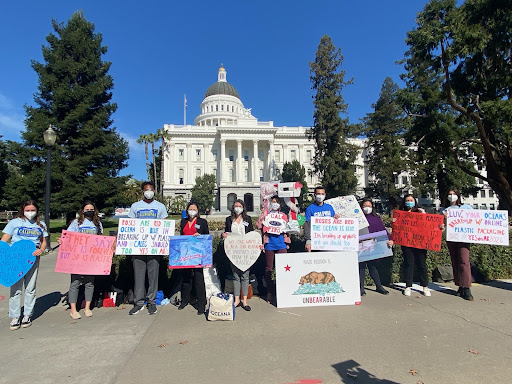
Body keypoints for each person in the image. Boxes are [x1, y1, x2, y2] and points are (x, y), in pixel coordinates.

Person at [1, 200, 47, 330]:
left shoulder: (41, 225)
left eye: (33, 210)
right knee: (15, 288)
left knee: (30, 288)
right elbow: (4, 239)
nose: (30, 212)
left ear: (37, 211)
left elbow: (44, 241)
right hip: (16, 259)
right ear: (23, 210)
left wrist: (41, 250)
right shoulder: (15, 222)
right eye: (27, 210)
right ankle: (15, 316)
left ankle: (27, 315)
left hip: (32, 258)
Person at [128, 181, 168, 315]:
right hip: (138, 247)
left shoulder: (160, 207)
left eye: (151, 190)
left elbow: (164, 226)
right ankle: (138, 302)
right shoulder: (135, 207)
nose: (149, 192)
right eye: (146, 190)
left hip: (154, 248)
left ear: (154, 191)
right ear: (142, 192)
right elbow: (130, 225)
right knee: (138, 276)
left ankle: (151, 302)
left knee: (153, 276)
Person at [58, 201, 103, 319]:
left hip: (91, 258)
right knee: (75, 282)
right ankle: (73, 309)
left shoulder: (97, 224)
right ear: (82, 210)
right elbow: (68, 236)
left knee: (89, 283)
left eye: (91, 209)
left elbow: (101, 240)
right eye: (87, 209)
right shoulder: (76, 223)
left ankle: (87, 308)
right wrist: (62, 242)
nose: (89, 211)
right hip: (76, 257)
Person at [222, 199, 261, 311]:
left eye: (239, 206)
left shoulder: (247, 219)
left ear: (243, 207)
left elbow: (252, 233)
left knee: (245, 276)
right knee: (236, 276)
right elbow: (226, 232)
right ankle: (236, 300)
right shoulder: (229, 220)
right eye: (235, 206)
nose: (237, 208)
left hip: (246, 251)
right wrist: (223, 235)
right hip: (234, 251)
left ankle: (244, 300)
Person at [177, 202, 209, 315]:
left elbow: (207, 237)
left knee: (199, 278)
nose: (192, 211)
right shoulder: (183, 221)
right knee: (186, 278)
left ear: (197, 211)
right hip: (186, 253)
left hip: (197, 254)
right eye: (190, 209)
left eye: (194, 209)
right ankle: (185, 300)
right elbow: (181, 235)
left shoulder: (202, 222)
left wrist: (200, 236)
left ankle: (201, 304)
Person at [442, 189, 474, 301]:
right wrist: (444, 221)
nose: (451, 196)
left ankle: (467, 288)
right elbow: (441, 225)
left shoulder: (466, 208)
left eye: (453, 194)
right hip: (451, 239)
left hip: (464, 238)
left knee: (464, 261)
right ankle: (460, 285)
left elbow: (475, 219)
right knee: (455, 261)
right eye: (449, 194)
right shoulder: (444, 210)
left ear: (458, 196)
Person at [397, 194, 430, 297]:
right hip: (407, 242)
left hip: (420, 242)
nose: (409, 202)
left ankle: (425, 286)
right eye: (407, 200)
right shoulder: (400, 213)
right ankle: (408, 286)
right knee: (409, 264)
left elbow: (427, 225)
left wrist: (424, 215)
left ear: (415, 201)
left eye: (411, 200)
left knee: (422, 264)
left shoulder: (419, 212)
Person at [359, 198, 393, 296]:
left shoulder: (376, 219)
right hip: (360, 246)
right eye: (365, 206)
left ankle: (379, 286)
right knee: (361, 268)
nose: (367, 208)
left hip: (372, 246)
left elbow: (383, 231)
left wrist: (389, 239)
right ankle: (361, 288)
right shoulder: (357, 219)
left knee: (373, 267)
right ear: (361, 207)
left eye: (369, 206)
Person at [261, 195, 288, 303]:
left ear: (280, 204)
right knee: (268, 269)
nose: (275, 203)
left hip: (281, 244)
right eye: (273, 202)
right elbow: (260, 226)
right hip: (270, 244)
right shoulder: (266, 215)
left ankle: (283, 291)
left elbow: (288, 228)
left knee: (283, 268)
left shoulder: (283, 216)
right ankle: (269, 291)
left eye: (277, 202)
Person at [304, 186, 339, 252]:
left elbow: (334, 222)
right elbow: (307, 225)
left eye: (322, 194)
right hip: (316, 241)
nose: (320, 196)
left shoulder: (329, 207)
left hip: (330, 240)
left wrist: (336, 217)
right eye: (318, 194)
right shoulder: (310, 209)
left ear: (325, 195)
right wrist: (308, 241)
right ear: (315, 195)